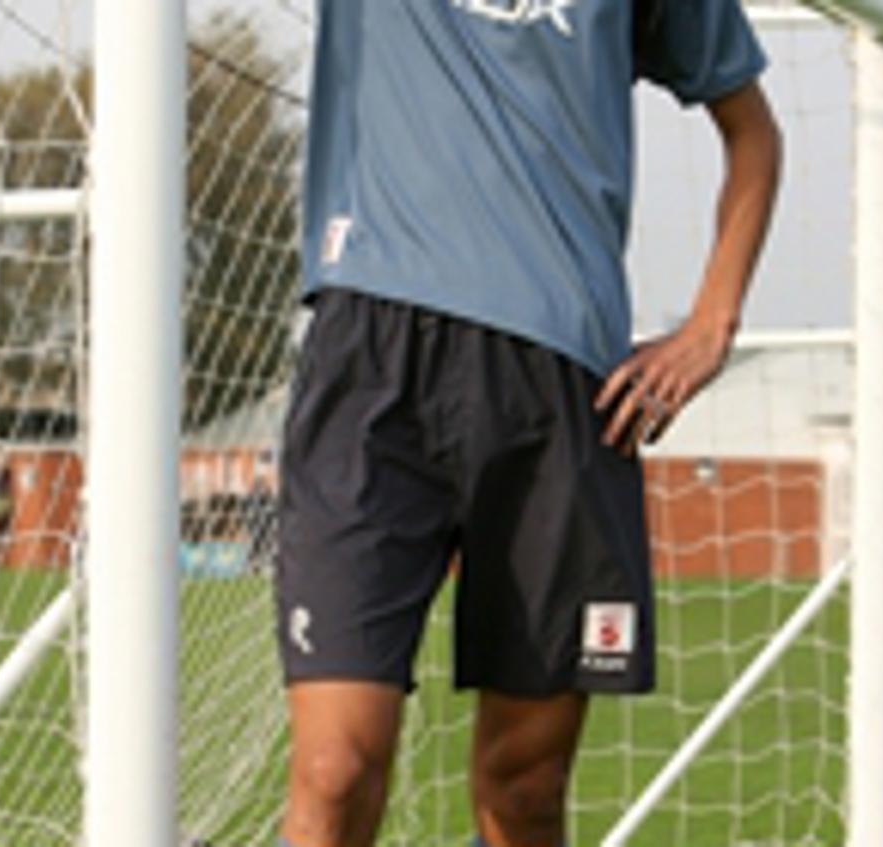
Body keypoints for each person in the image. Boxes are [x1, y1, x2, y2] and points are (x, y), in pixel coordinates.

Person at [274, 2, 782, 845]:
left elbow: (753, 135)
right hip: (374, 363)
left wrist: (710, 325)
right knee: (335, 772)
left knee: (527, 789)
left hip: (562, 387)